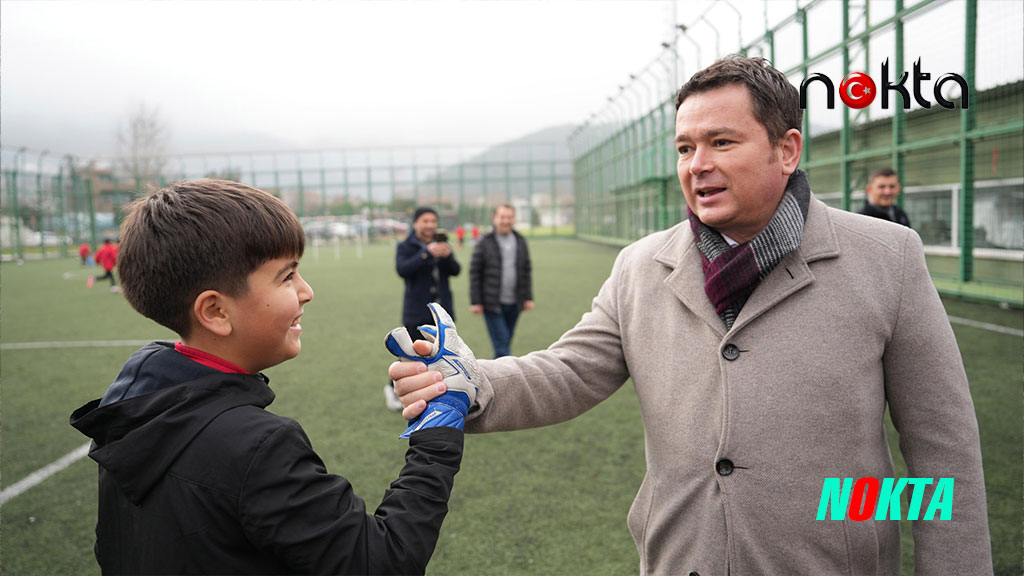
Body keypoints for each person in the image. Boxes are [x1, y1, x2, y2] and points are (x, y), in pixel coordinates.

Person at [390, 56, 992, 574]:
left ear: (787, 149)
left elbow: (942, 448)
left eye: (721, 142)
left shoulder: (887, 257)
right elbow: (571, 371)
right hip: (683, 558)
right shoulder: (640, 266)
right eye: (685, 147)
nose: (696, 164)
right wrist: (475, 384)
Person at [70, 180, 466, 575]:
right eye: (287, 276)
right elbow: (382, 562)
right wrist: (438, 430)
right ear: (216, 312)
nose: (306, 291)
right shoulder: (255, 447)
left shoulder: (126, 408)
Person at [385, 206, 461, 411]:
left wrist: (446, 256)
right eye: (425, 221)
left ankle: (438, 390)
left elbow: (456, 270)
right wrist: (426, 254)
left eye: (433, 221)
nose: (430, 225)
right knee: (409, 355)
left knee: (442, 352)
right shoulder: (406, 246)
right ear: (416, 223)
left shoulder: (442, 243)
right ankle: (391, 388)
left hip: (442, 309)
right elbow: (403, 269)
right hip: (416, 310)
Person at [469, 204, 533, 358]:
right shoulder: (484, 241)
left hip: (515, 302)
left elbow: (526, 270)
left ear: (514, 219)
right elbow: (475, 272)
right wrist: (475, 301)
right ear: (495, 218)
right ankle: (503, 380)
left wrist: (528, 297)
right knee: (502, 346)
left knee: (505, 343)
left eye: (509, 217)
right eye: (502, 217)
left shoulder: (520, 240)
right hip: (492, 303)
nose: (506, 221)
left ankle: (498, 377)